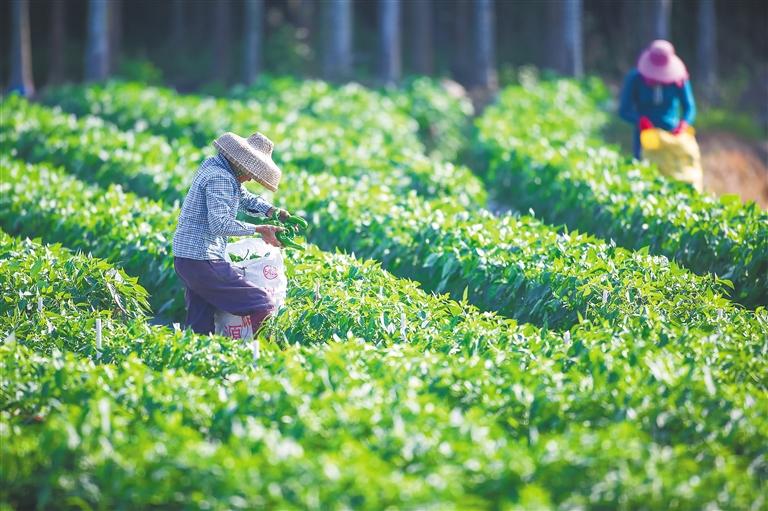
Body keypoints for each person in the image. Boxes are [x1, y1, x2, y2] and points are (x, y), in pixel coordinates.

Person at [172, 131, 292, 334]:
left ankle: (197, 359)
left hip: (186, 259)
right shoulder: (221, 177)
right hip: (202, 259)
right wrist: (259, 229)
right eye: (251, 173)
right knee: (261, 304)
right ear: (241, 164)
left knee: (200, 319)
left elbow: (244, 197)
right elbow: (220, 224)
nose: (251, 178)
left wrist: (272, 211)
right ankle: (261, 355)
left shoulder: (214, 166)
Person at [619, 40, 697, 160]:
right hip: (645, 136)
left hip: (671, 135)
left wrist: (684, 123)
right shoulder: (635, 78)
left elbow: (689, 107)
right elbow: (624, 110)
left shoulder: (679, 79)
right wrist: (639, 120)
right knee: (643, 167)